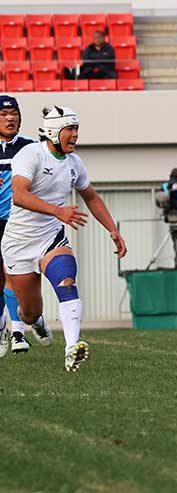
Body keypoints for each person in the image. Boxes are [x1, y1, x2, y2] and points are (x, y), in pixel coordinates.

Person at [2, 105, 127, 372]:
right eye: (70, 129)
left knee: (67, 280)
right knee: (29, 312)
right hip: (18, 242)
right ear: (52, 131)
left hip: (51, 237)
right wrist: (58, 211)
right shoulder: (30, 154)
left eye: (76, 129)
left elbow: (90, 197)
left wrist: (112, 229)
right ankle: (36, 322)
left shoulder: (74, 163)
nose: (75, 135)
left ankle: (72, 347)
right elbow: (19, 195)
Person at [0, 96, 52, 358]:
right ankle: (9, 331)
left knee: (21, 278)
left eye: (14, 113)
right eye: (4, 113)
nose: (10, 118)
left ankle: (27, 325)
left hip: (21, 222)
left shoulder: (31, 147)